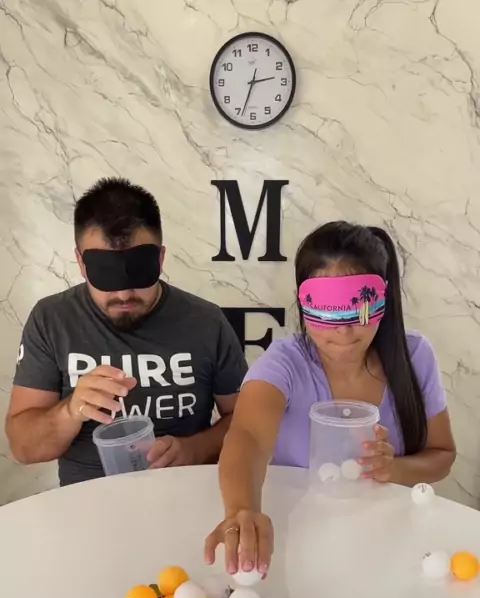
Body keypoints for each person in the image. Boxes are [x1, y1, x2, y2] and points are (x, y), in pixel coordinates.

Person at [205, 221, 456, 575]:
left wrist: (394, 469)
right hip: (300, 542)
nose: (343, 330)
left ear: (382, 299)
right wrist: (241, 510)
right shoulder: (285, 362)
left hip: (389, 543)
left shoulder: (414, 356)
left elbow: (442, 455)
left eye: (359, 310)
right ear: (303, 304)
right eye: (325, 310)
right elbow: (248, 436)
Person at [6, 178, 247, 486]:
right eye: (105, 275)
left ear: (160, 259)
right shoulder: (52, 320)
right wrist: (71, 410)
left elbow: (248, 421)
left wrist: (195, 449)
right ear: (81, 263)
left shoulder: (206, 322)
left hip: (185, 494)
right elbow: (24, 448)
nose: (123, 294)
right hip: (87, 500)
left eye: (138, 272)